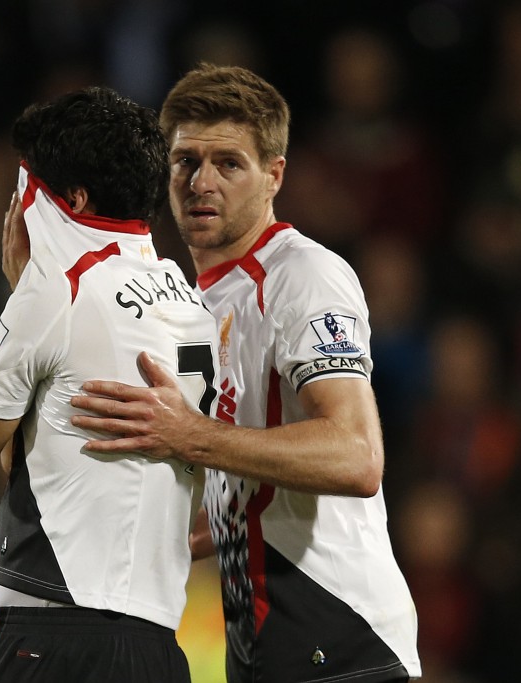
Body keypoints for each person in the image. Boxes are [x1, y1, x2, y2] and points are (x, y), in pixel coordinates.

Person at [68, 64, 422, 682]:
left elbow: (356, 455)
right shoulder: (195, 300)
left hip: (339, 637)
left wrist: (189, 436)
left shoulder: (302, 275)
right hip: (264, 644)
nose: (202, 182)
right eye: (185, 162)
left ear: (274, 175)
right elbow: (252, 497)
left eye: (229, 163)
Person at [0, 85, 220, 683]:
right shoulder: (194, 306)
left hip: (54, 643)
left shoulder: (60, 291)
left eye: (24, 186)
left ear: (72, 199)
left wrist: (20, 300)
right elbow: (48, 467)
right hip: (157, 652)